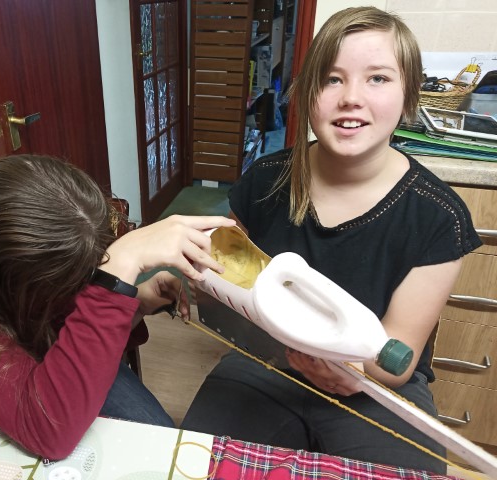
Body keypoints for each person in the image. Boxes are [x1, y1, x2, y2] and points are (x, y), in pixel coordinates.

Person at [181, 6, 481, 474]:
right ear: (306, 92)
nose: (351, 98)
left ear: (408, 95)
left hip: (376, 385)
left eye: (377, 78)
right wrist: (195, 280)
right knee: (197, 466)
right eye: (332, 79)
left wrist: (355, 373)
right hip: (267, 360)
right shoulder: (265, 180)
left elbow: (396, 359)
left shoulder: (437, 216)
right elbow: (228, 271)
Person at [0, 154, 235, 460]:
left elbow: (56, 316)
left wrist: (132, 301)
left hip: (36, 357)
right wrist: (115, 277)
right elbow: (50, 431)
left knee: (159, 441)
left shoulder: (7, 250)